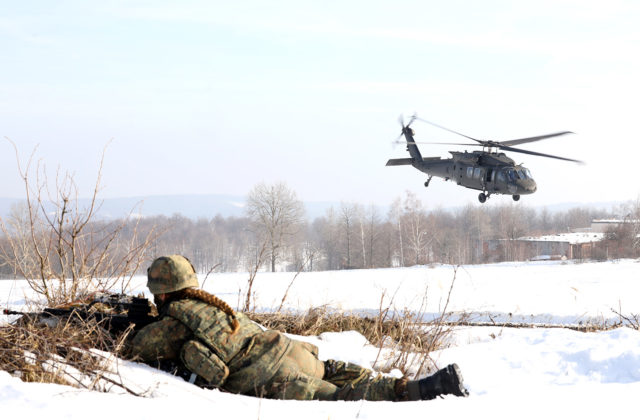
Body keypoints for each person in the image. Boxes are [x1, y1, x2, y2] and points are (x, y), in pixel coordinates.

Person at [130, 254, 469, 401]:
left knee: (346, 399)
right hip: (293, 352)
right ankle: (412, 386)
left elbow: (133, 347)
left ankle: (417, 394)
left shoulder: (173, 324)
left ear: (161, 292)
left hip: (278, 380)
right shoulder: (209, 303)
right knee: (345, 376)